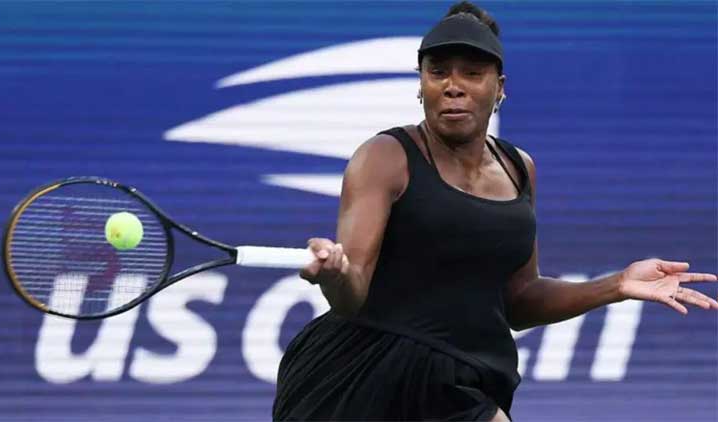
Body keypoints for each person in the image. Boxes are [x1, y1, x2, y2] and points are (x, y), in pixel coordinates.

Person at [272, 2, 718, 420]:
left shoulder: (519, 168)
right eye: (437, 72)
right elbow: (352, 294)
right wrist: (335, 274)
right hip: (359, 375)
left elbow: (518, 301)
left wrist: (617, 285)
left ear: (499, 87)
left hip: (457, 379)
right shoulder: (385, 156)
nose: (453, 86)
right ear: (421, 84)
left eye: (472, 73)